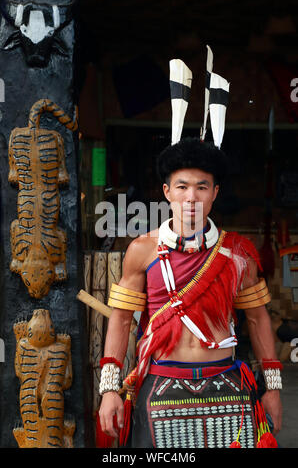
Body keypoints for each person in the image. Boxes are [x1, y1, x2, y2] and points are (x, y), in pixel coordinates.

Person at [98, 137, 282, 449]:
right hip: (161, 386)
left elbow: (257, 320)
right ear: (167, 192)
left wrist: (273, 387)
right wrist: (109, 390)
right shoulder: (142, 250)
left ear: (215, 193)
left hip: (226, 384)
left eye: (202, 186)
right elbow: (120, 320)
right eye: (182, 186)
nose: (191, 196)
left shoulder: (238, 252)